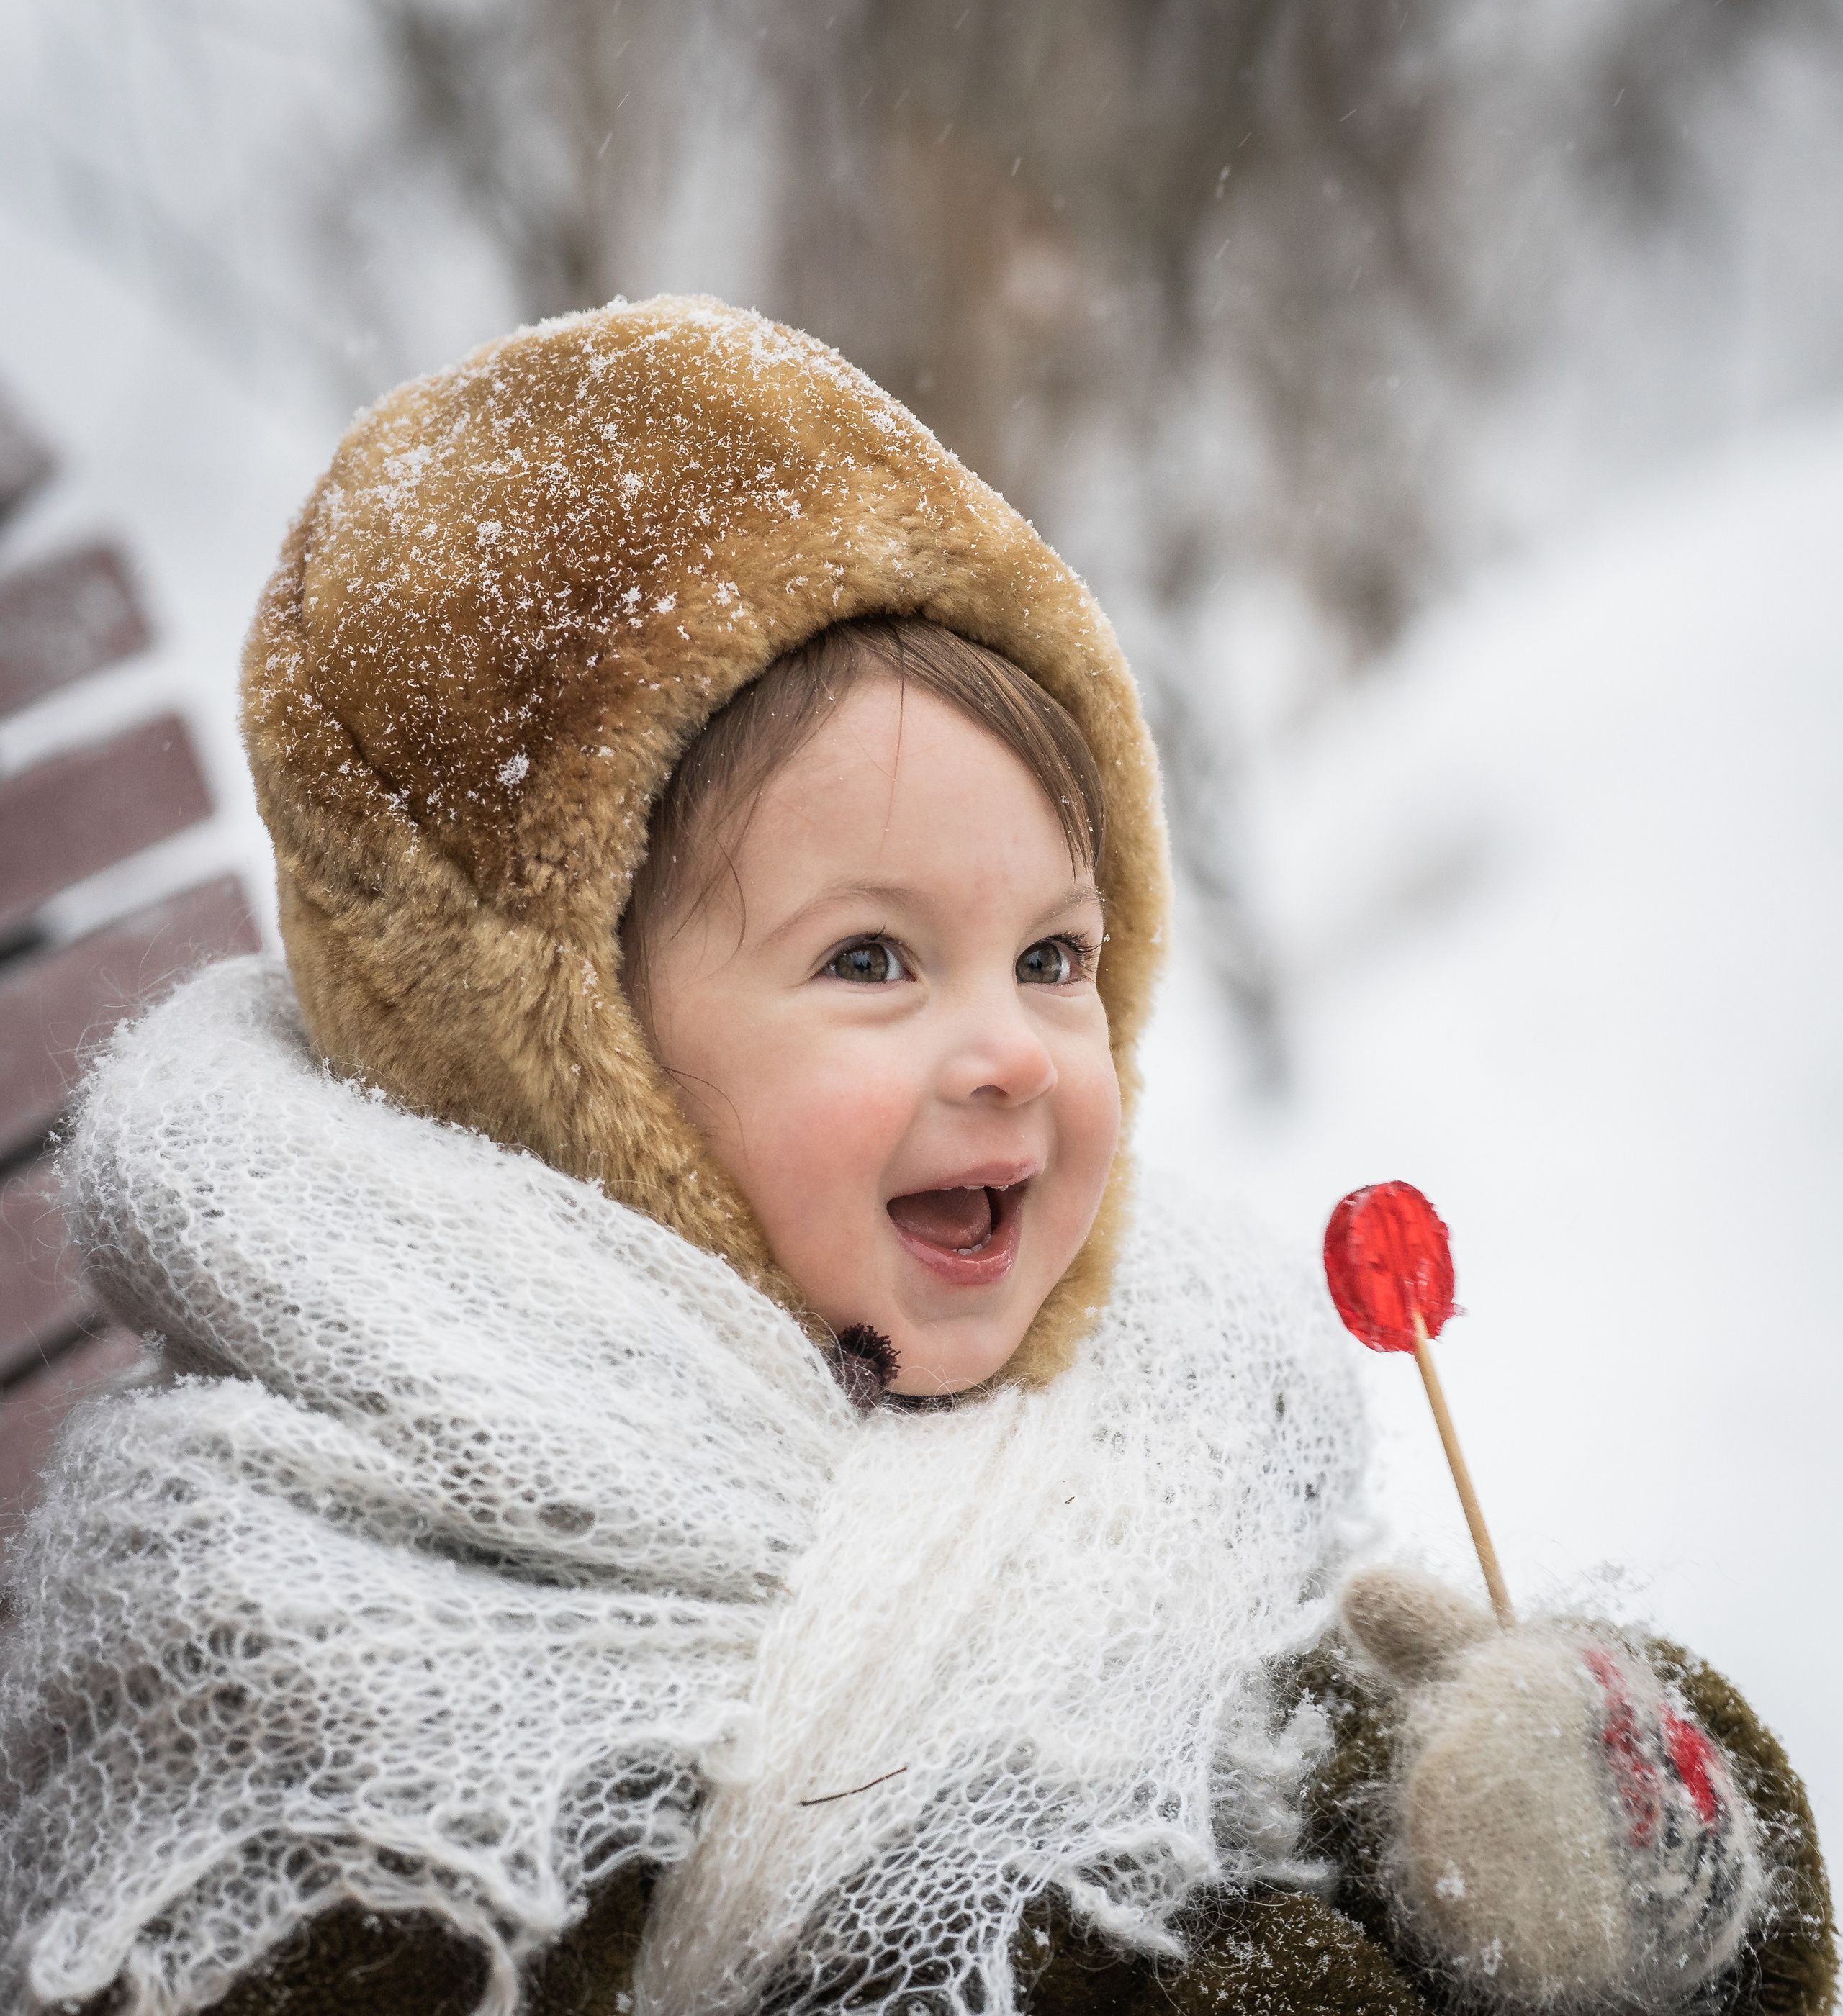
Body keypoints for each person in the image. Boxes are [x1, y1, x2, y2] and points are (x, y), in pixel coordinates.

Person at [0, 298, 1830, 2016]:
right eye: (870, 961)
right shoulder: (336, 1625)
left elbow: (1370, 1791)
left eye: (1054, 958)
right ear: (558, 1062)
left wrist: (1562, 1828)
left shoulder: (1144, 1432)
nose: (1015, 1052)